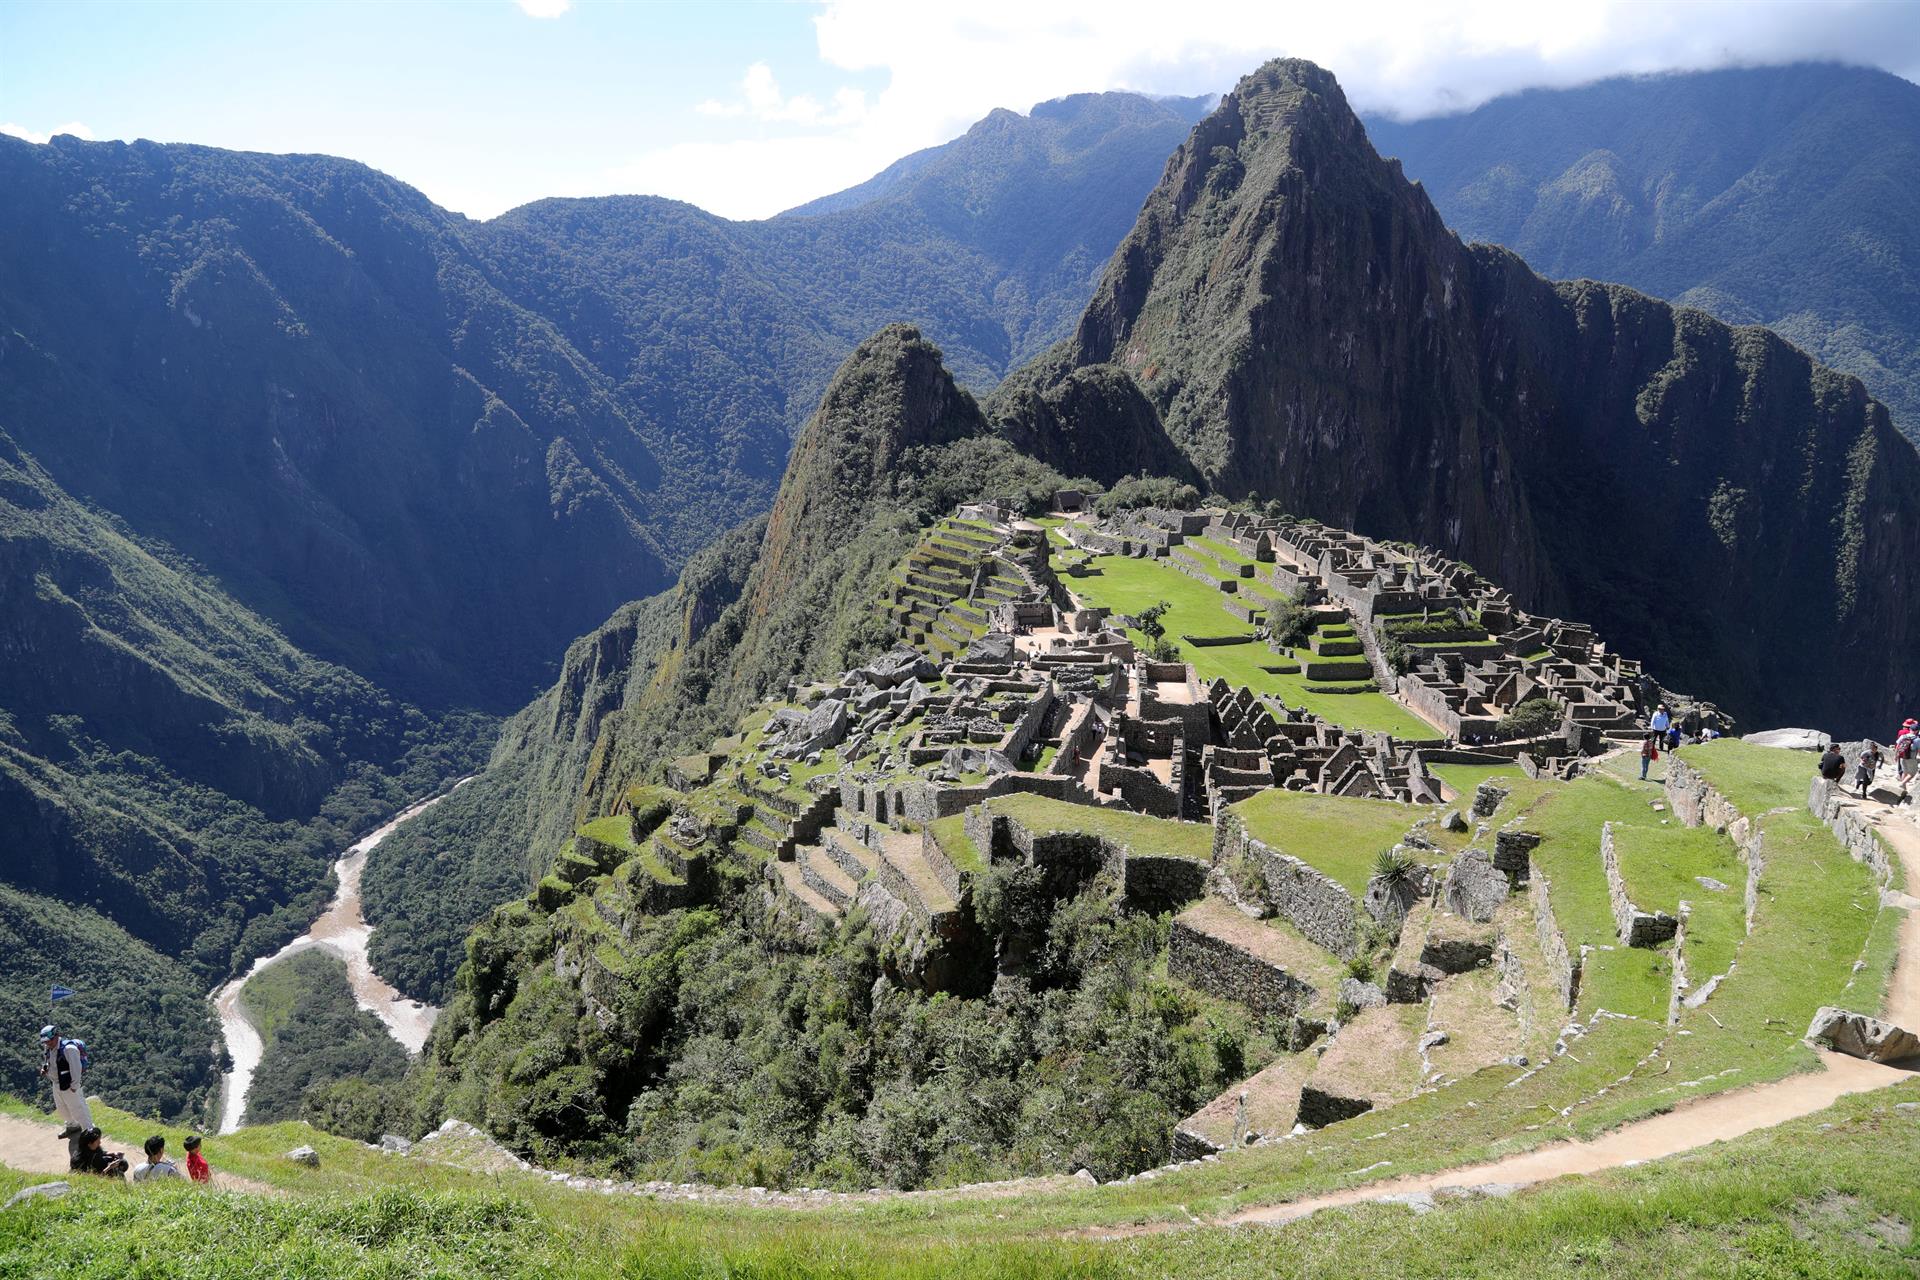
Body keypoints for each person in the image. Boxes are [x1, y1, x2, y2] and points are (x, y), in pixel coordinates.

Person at [39, 1025, 91, 1138]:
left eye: (50, 1041)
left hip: (69, 1085)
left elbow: (76, 1069)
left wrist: (74, 1086)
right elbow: (49, 1061)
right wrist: (45, 1069)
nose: (48, 1043)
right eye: (46, 1042)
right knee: (62, 1108)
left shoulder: (69, 1049)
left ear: (57, 1036)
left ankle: (90, 1133)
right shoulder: (48, 1048)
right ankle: (72, 1127)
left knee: (79, 1109)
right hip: (57, 1083)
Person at [1897, 720, 1919, 800]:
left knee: (1904, 772)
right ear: (1916, 731)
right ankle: (1902, 783)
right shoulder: (1917, 739)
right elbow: (1919, 750)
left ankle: (1904, 789)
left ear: (1910, 729)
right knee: (1912, 773)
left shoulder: (1903, 736)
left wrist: (1896, 755)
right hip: (1911, 758)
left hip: (1902, 756)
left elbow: (1898, 745)